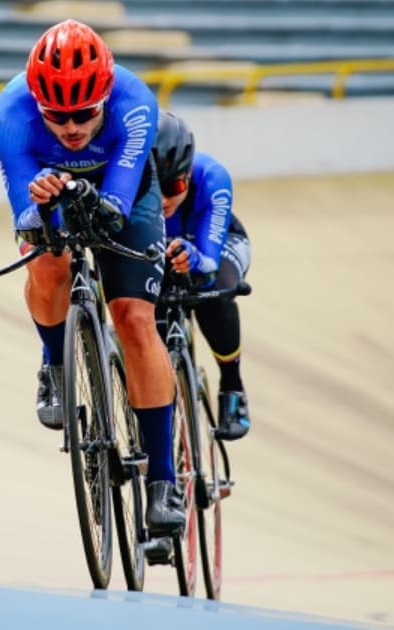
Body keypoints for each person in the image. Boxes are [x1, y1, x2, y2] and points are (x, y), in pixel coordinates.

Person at [0, 18, 184, 533]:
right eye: (57, 115)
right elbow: (24, 214)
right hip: (46, 192)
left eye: (83, 113)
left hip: (126, 191)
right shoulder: (9, 113)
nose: (71, 128)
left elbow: (117, 208)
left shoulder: (135, 101)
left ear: (104, 97)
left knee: (135, 320)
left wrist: (95, 203)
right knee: (46, 258)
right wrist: (43, 214)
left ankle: (163, 481)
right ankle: (55, 364)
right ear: (37, 103)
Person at [153, 111, 253, 440]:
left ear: (188, 174)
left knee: (215, 293)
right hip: (164, 250)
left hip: (215, 244)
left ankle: (232, 386)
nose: (165, 199)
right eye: (155, 189)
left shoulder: (212, 177)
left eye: (175, 186)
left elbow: (209, 263)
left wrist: (196, 259)